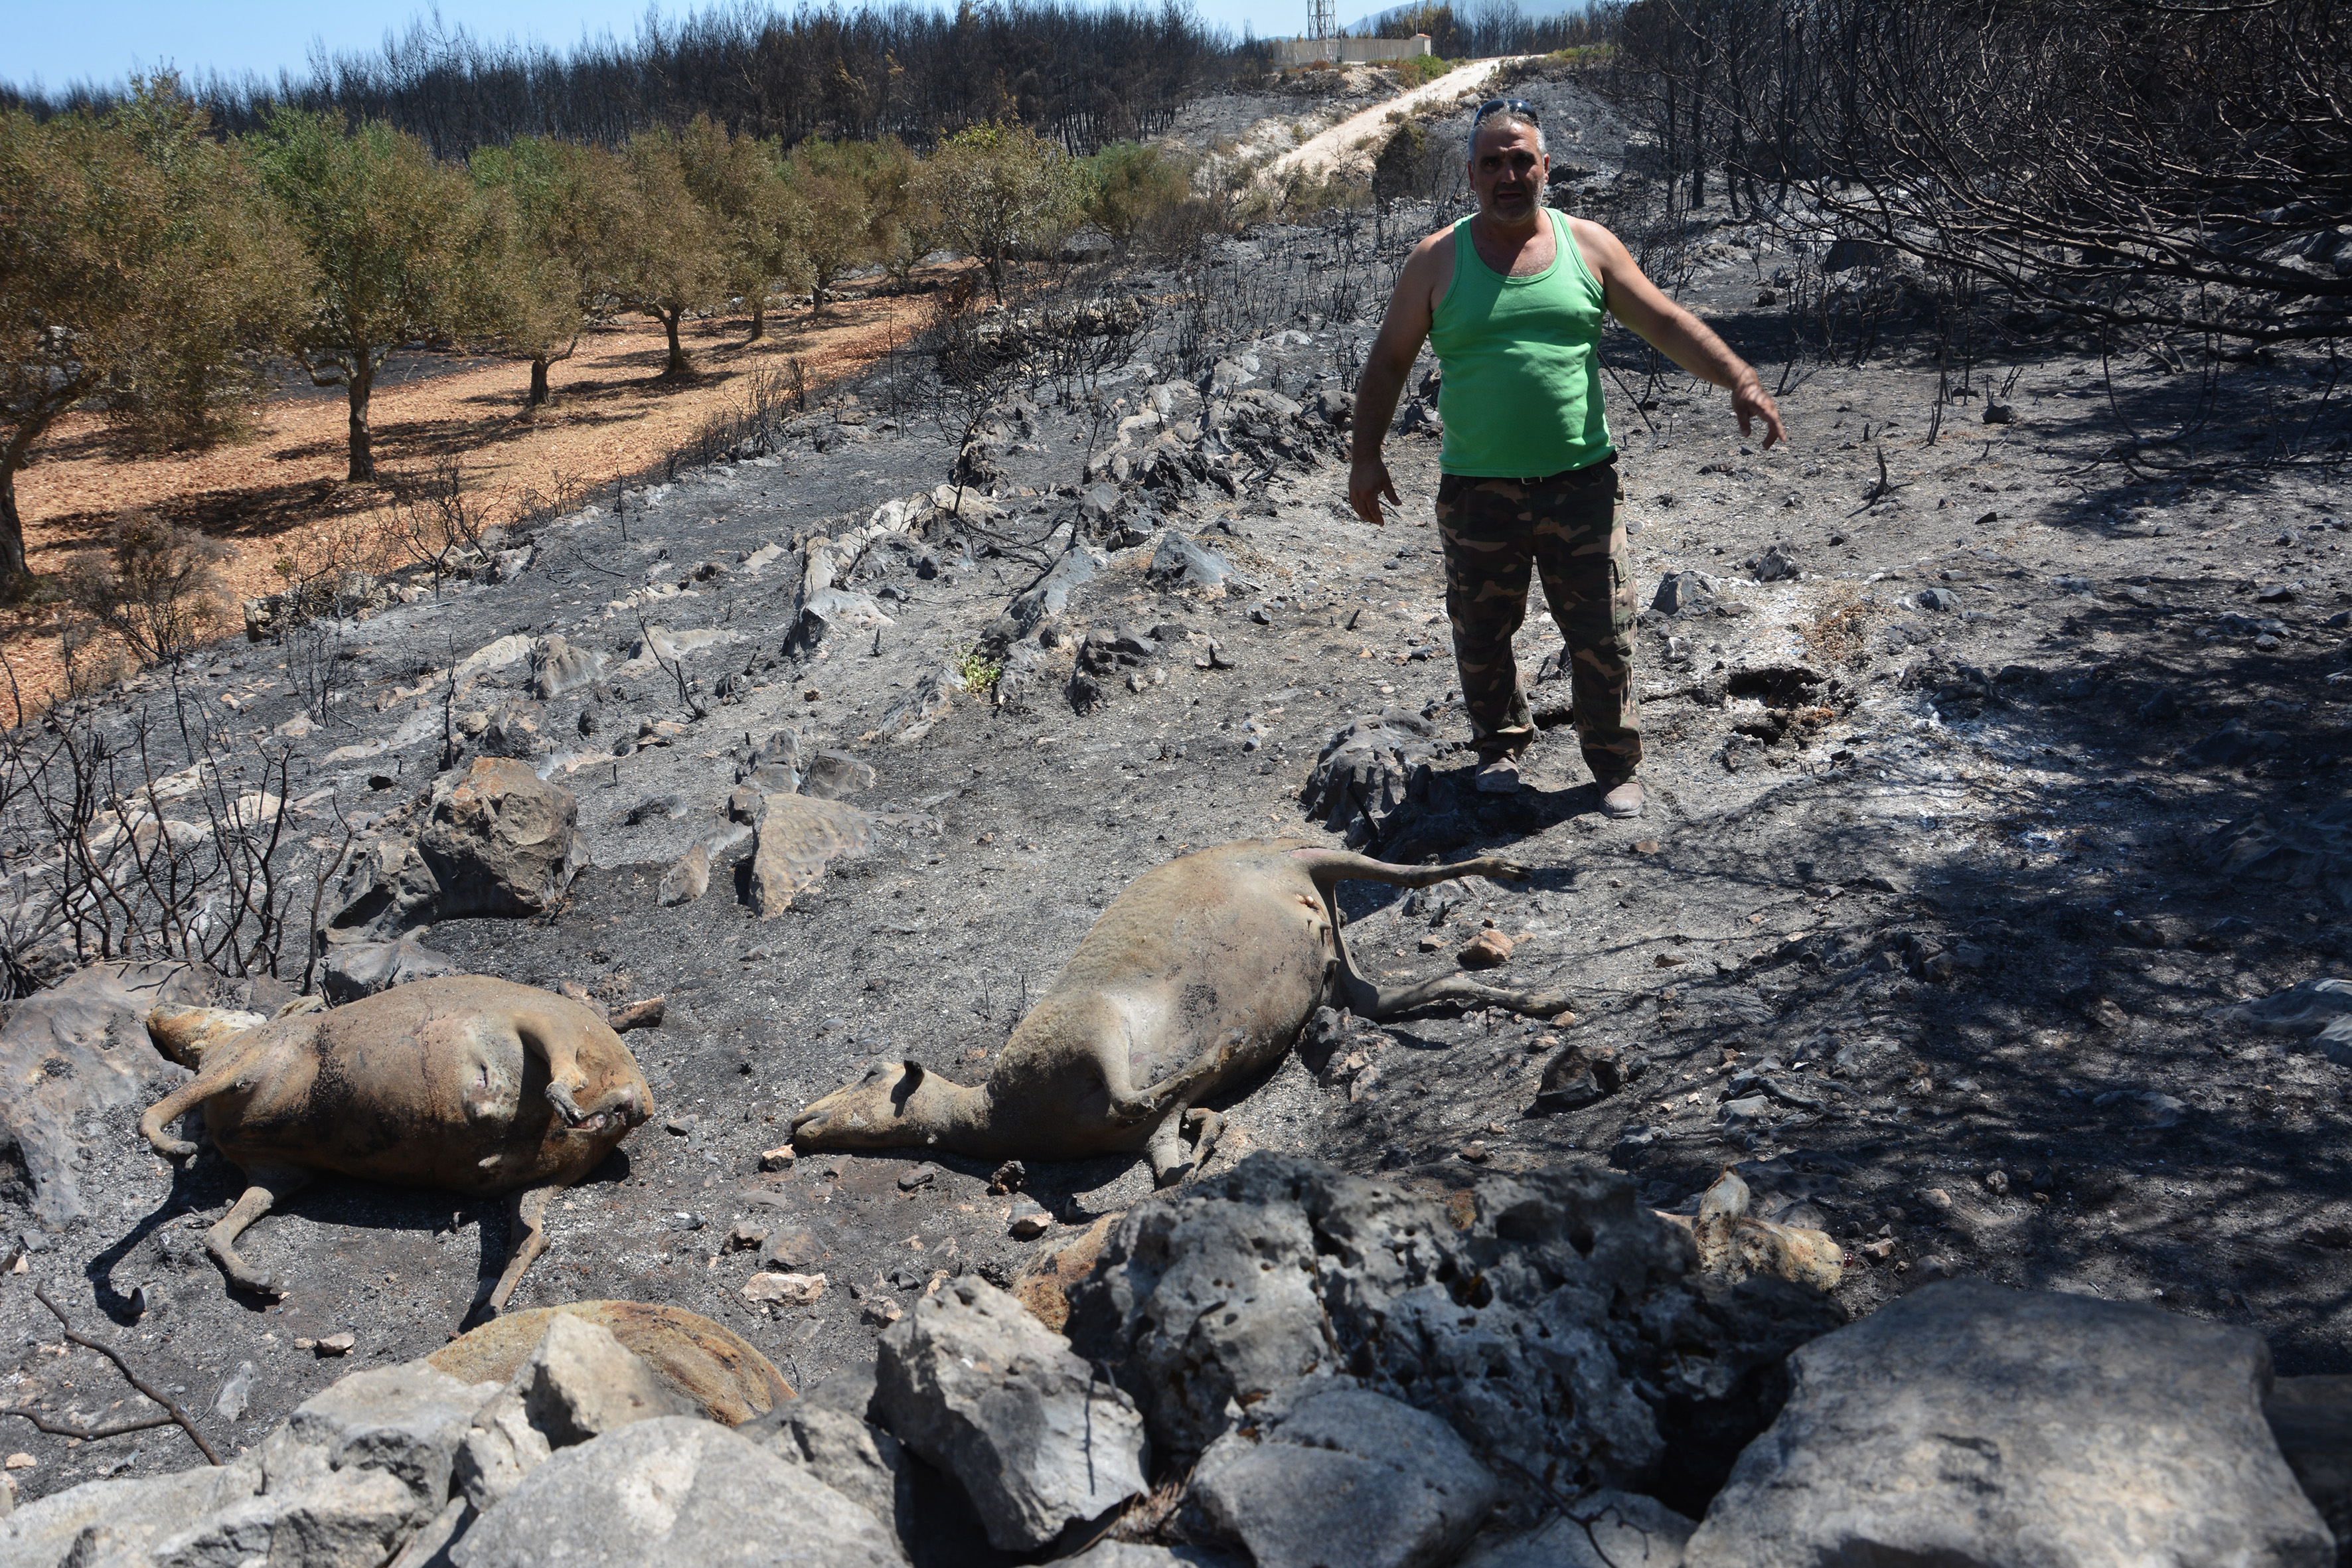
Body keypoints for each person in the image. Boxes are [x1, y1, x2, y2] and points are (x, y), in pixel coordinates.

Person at [1348, 98, 1786, 819]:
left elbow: (1666, 324)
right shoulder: (1437, 260)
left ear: (1546, 167)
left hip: (1581, 482)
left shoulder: (1590, 246)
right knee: (1482, 629)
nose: (1509, 174)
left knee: (1603, 630)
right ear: (1471, 176)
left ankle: (1614, 763)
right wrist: (1366, 457)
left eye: (1522, 160)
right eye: (1493, 162)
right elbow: (1389, 362)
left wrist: (1738, 377)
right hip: (1476, 487)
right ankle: (1498, 745)